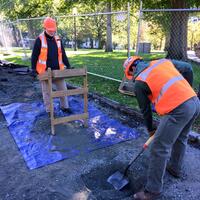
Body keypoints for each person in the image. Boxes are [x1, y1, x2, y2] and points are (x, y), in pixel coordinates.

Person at [123, 56, 200, 200]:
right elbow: (188, 68)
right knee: (181, 137)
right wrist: (188, 89)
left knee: (159, 147)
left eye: (130, 73)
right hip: (194, 102)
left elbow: (145, 110)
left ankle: (152, 192)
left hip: (179, 109)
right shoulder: (162, 62)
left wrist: (151, 129)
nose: (132, 76)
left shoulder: (140, 82)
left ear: (132, 68)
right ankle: (175, 168)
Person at [31, 17, 72, 114]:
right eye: (50, 31)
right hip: (44, 72)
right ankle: (50, 111)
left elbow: (63, 54)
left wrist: (68, 65)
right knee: (47, 93)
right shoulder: (39, 40)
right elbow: (34, 55)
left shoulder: (58, 39)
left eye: (53, 30)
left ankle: (64, 107)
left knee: (63, 89)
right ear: (45, 28)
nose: (52, 32)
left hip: (58, 71)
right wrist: (33, 69)